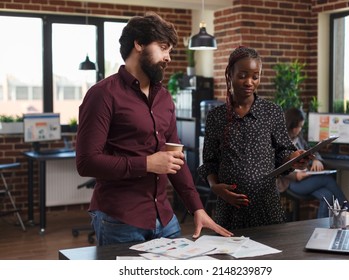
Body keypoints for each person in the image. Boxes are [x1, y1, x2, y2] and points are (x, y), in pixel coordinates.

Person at [76, 12, 233, 246]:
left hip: (165, 220)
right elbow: (86, 162)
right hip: (120, 220)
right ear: (138, 44)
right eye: (163, 48)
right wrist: (147, 163)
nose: (168, 57)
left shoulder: (164, 98)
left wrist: (197, 208)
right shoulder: (102, 94)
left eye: (169, 50)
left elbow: (174, 158)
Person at [197, 46, 309, 230]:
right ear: (229, 75)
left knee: (268, 256)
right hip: (229, 209)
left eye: (255, 76)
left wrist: (296, 158)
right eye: (242, 75)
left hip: (266, 206)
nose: (249, 82)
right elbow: (210, 161)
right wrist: (214, 186)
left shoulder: (272, 112)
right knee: (227, 256)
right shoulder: (216, 116)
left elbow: (284, 153)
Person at [277, 107, 349, 218]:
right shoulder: (280, 141)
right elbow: (277, 167)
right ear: (291, 125)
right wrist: (296, 175)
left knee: (328, 196)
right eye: (299, 126)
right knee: (327, 179)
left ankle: (321, 229)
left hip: (306, 177)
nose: (300, 129)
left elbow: (311, 150)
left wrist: (316, 159)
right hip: (291, 182)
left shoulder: (298, 138)